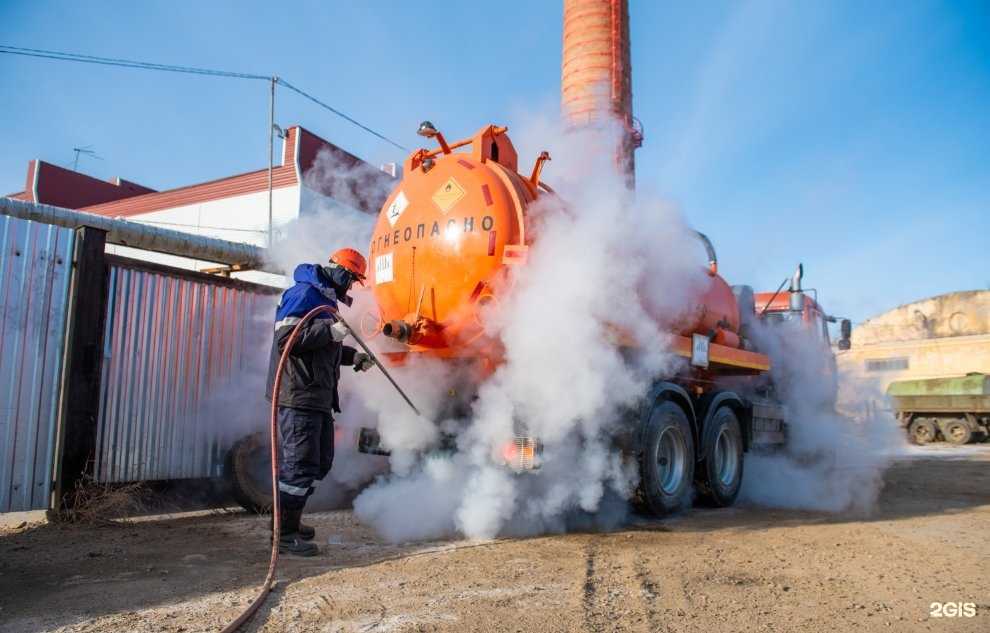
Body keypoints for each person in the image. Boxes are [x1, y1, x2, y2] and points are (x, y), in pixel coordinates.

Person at [265, 247, 375, 556]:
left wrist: (354, 356)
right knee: (299, 466)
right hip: (298, 395)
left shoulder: (324, 300)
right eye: (351, 280)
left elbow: (323, 348)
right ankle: (284, 536)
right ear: (340, 271)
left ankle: (290, 521)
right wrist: (330, 331)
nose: (351, 287)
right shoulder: (303, 294)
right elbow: (288, 341)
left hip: (317, 397)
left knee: (319, 463)